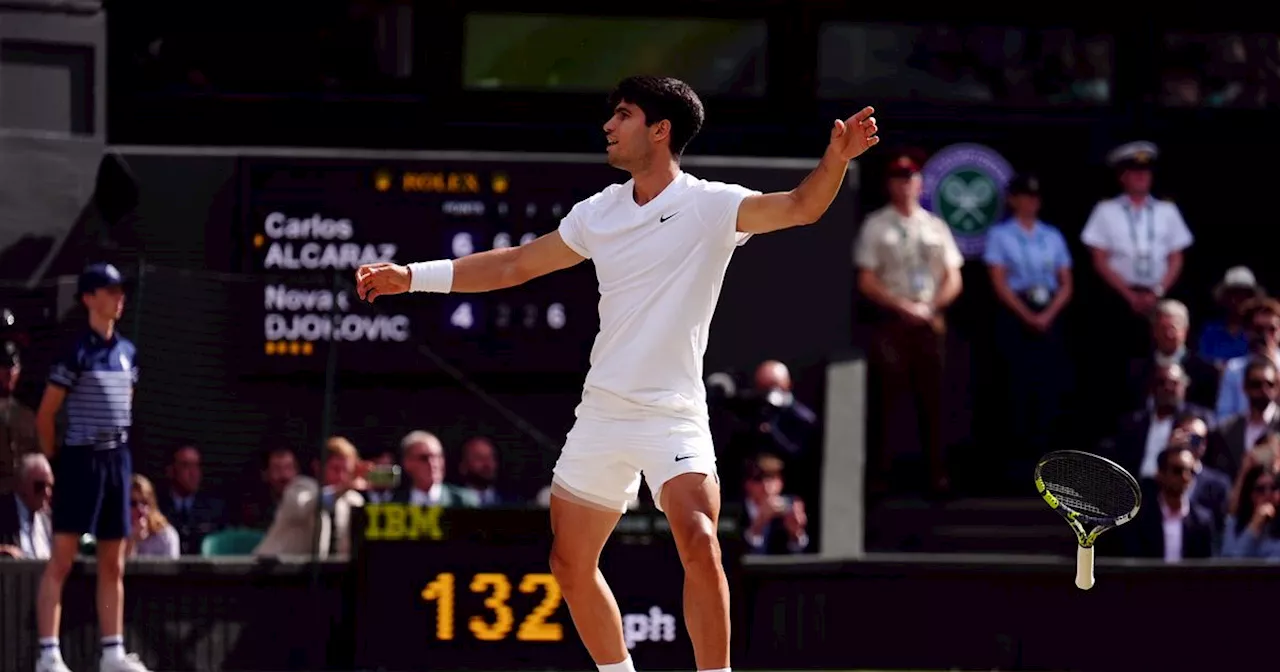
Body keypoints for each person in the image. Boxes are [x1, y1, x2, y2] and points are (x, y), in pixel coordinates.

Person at [355, 75, 880, 672]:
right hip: (602, 413)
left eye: (624, 115)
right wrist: (412, 275)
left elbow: (800, 207)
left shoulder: (711, 206)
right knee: (568, 565)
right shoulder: (598, 212)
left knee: (702, 540)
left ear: (660, 130)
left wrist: (835, 160)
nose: (609, 125)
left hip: (673, 415)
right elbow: (515, 264)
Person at [34, 263, 150, 672]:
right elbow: (46, 415)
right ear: (88, 298)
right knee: (62, 560)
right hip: (81, 461)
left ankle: (112, 653)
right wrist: (55, 459)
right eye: (110, 290)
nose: (119, 298)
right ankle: (48, 654)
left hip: (117, 462)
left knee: (113, 562)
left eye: (121, 291)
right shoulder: (75, 353)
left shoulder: (128, 353)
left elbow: (127, 407)